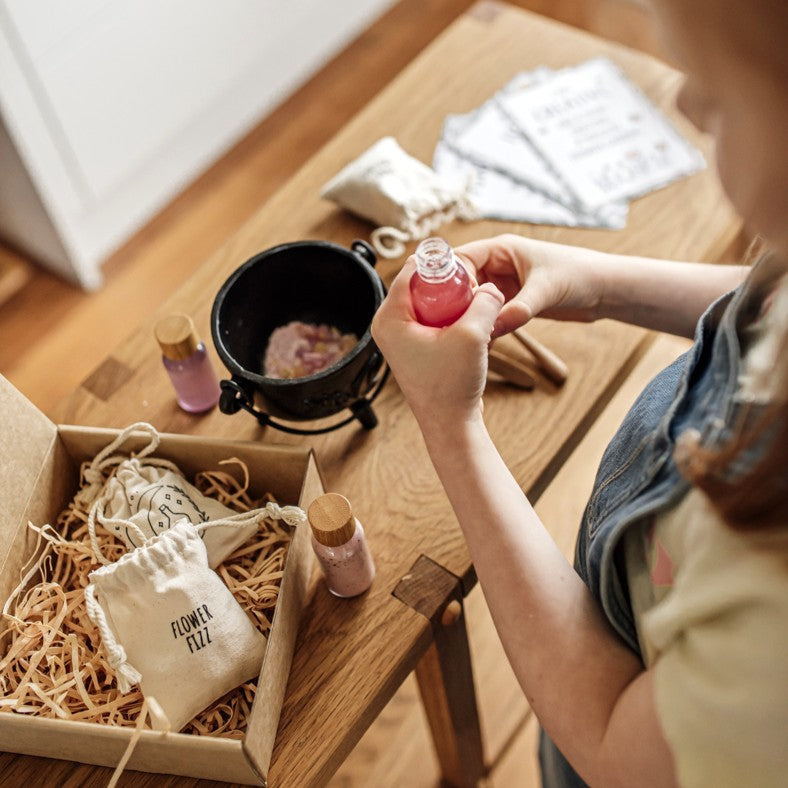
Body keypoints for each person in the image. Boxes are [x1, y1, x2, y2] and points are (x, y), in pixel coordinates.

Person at [371, 0, 788, 785]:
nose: (685, 105)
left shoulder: (771, 620)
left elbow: (608, 740)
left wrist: (450, 425)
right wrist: (598, 282)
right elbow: (770, 300)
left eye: (719, 91)